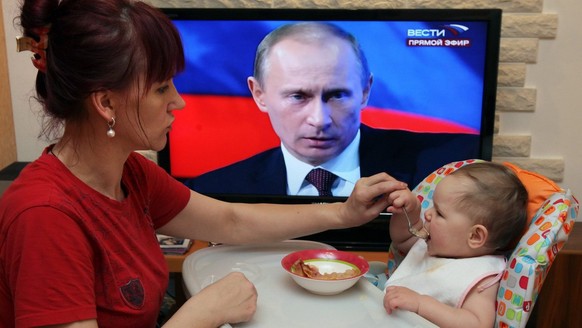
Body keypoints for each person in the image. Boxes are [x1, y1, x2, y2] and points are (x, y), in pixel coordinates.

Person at [0, 1, 407, 327]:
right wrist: (200, 314)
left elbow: (229, 221)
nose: (178, 101)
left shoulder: (131, 174)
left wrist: (343, 213)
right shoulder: (45, 216)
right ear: (106, 103)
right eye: (162, 88)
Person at [186, 22, 479, 197]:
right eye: (298, 96)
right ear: (259, 94)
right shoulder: (215, 191)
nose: (319, 120)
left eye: (337, 95)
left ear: (365, 91)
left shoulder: (449, 171)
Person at [382, 162, 528, 327]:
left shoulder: (480, 275)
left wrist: (420, 304)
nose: (428, 213)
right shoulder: (432, 243)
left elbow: (477, 323)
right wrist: (408, 212)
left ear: (475, 235)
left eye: (439, 212)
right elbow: (401, 239)